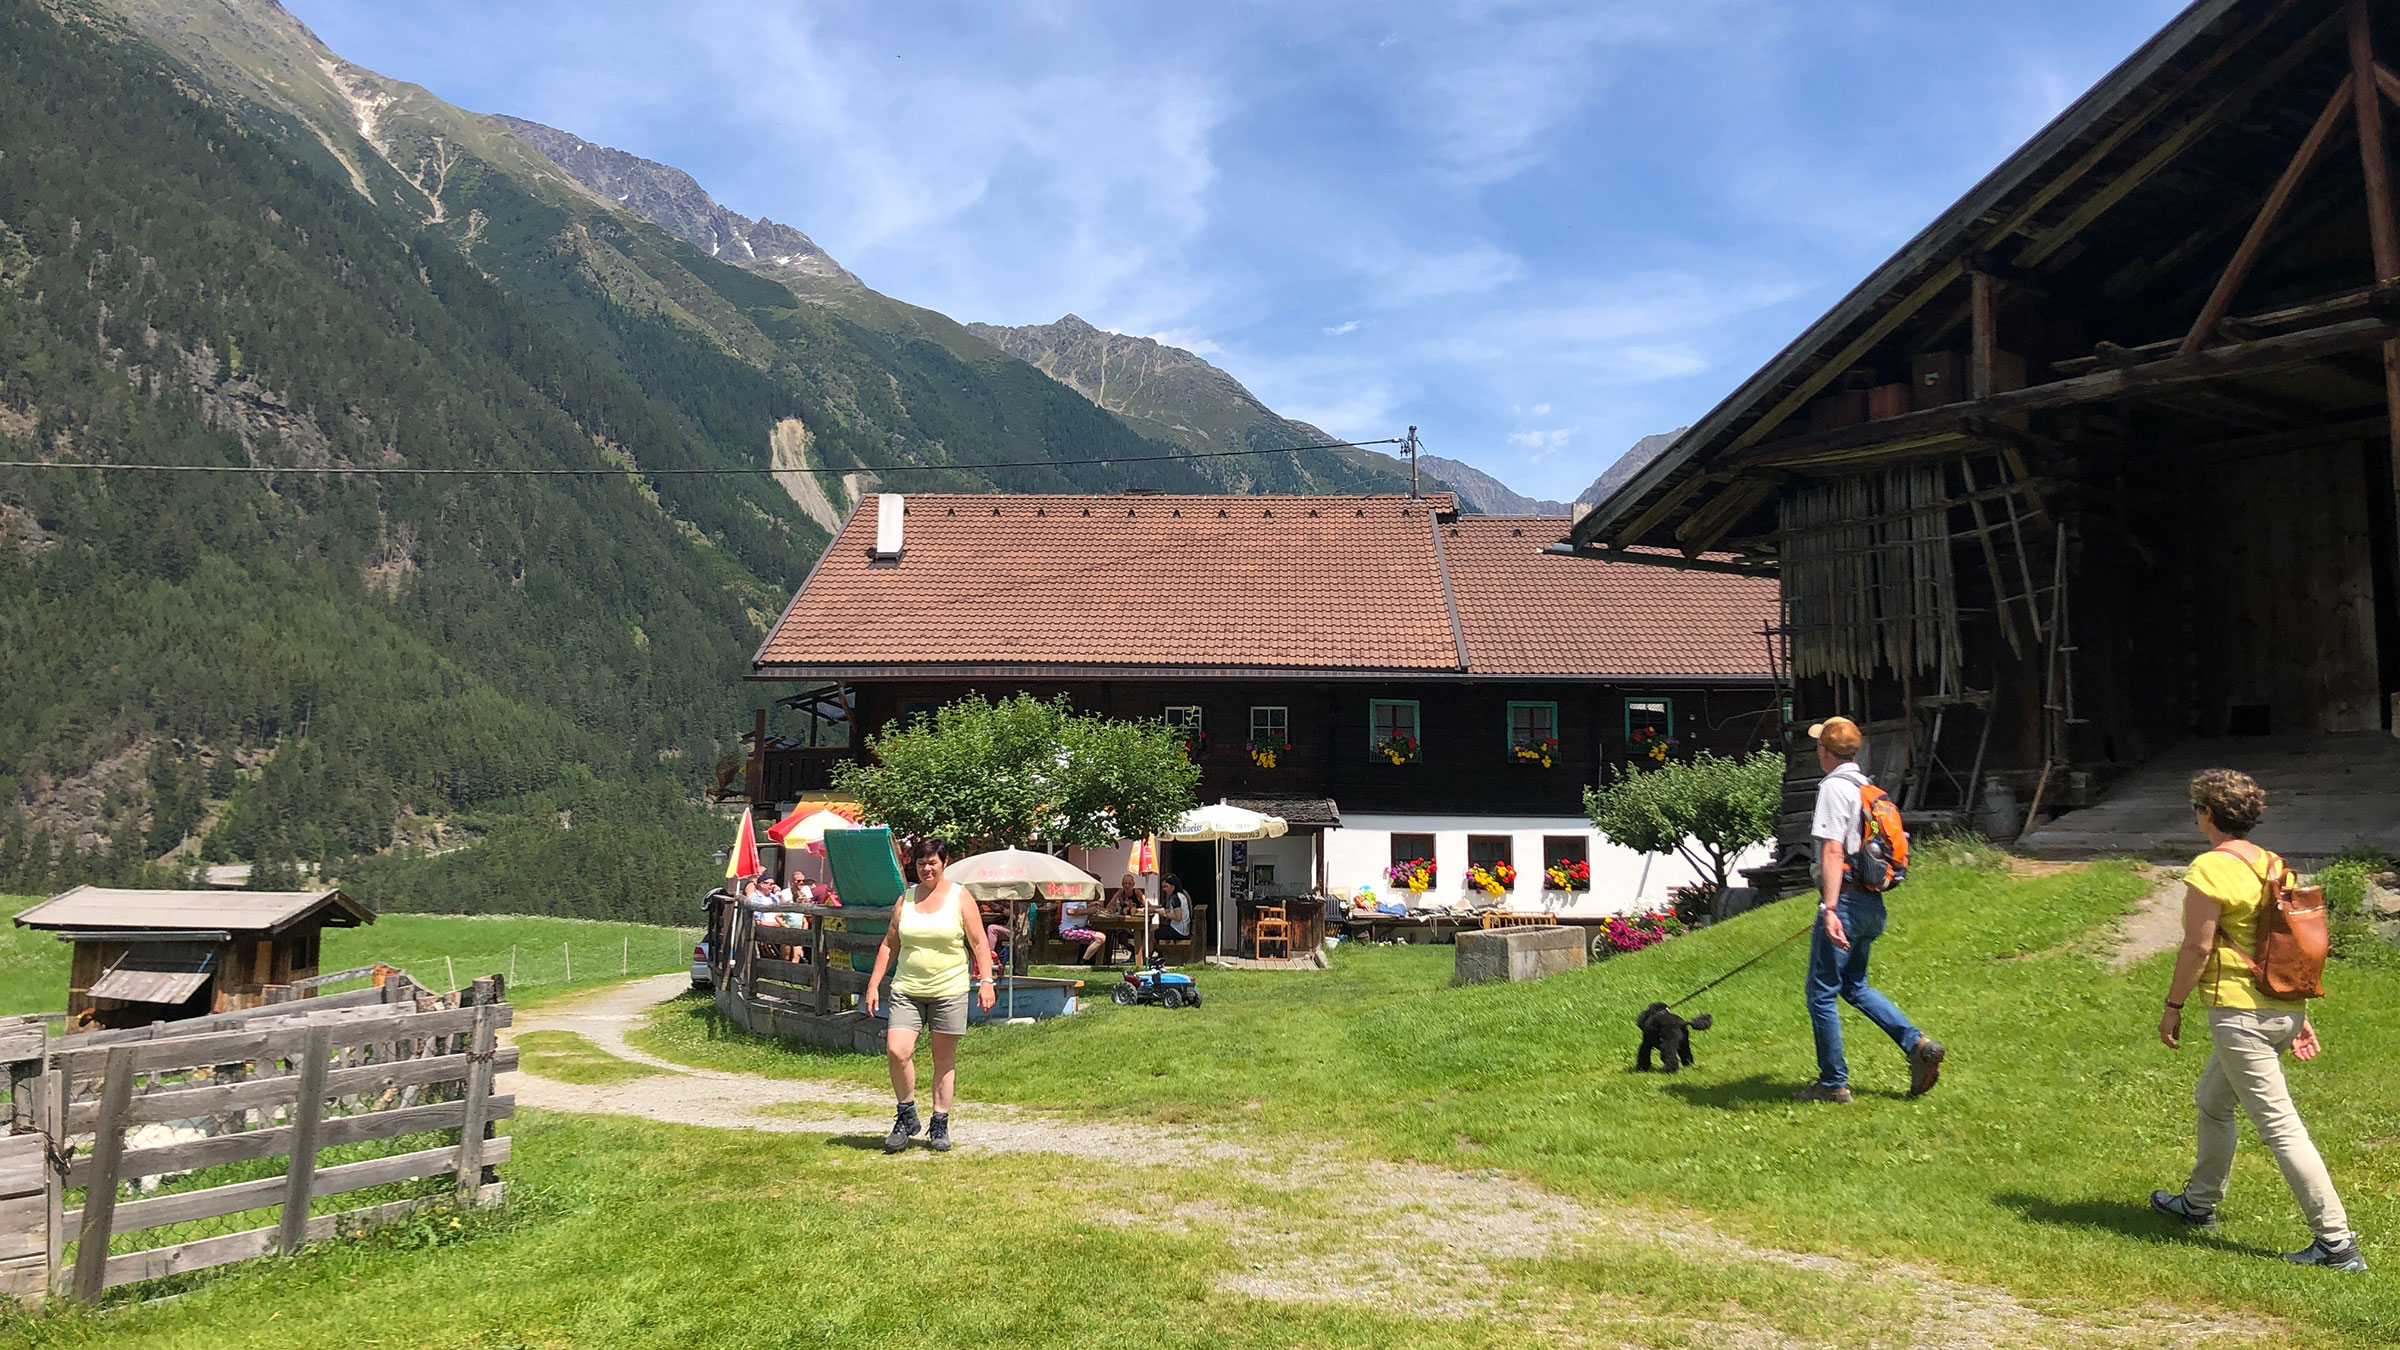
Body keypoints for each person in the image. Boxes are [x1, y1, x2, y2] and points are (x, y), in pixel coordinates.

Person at [2149, 769, 2364, 1272]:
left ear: (2206, 814)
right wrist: (2297, 1014)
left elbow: (2198, 946)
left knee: (2281, 1127)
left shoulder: (2209, 868)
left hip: (2240, 1016)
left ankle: (2337, 1244)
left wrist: (2173, 1006)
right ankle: (2199, 1205)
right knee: (2212, 1101)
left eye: (2196, 808)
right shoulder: (2273, 863)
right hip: (2280, 1009)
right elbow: (2281, 943)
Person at [1795, 716, 1945, 1104]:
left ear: (1825, 752)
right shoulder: (1868, 788)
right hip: (1870, 904)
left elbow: (1831, 850)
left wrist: (1828, 909)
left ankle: (1833, 1083)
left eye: (1819, 746)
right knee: (1854, 985)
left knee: (1821, 993)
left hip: (1843, 901)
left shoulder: (1833, 789)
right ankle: (1917, 1045)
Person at [863, 838, 998, 1153]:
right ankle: (906, 1113)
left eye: (932, 862)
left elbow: (979, 942)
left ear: (944, 862)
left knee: (943, 1059)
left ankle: (940, 1124)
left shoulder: (959, 896)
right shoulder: (906, 899)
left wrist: (988, 980)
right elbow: (889, 944)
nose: (926, 868)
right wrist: (873, 983)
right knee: (897, 1051)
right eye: (921, 863)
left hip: (949, 988)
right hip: (907, 988)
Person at [1058, 885, 1108, 966]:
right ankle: (1082, 963)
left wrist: (1091, 905)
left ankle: (1095, 962)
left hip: (1078, 928)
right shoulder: (1074, 897)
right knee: (1100, 938)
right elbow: (1070, 911)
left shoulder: (1079, 896)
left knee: (1100, 934)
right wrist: (1089, 911)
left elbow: (1078, 908)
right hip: (1069, 930)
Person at [1155, 873, 1193, 946]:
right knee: (1158, 929)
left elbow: (1178, 917)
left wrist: (1165, 914)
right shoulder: (1180, 895)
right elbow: (1174, 910)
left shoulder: (1176, 898)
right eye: (1163, 887)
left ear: (1173, 886)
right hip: (1183, 929)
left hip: (1179, 931)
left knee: (1155, 932)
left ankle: (1159, 952)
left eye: (1166, 886)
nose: (1164, 889)